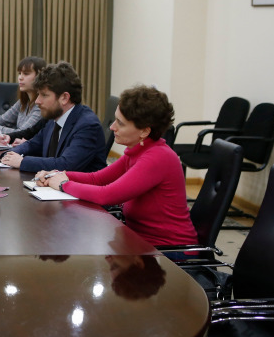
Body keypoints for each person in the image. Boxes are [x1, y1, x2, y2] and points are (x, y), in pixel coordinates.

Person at [39, 85, 197, 247]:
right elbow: (97, 178)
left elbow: (106, 195)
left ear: (144, 131)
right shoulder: (137, 151)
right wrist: (57, 175)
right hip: (139, 243)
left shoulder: (157, 157)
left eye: (120, 123)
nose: (112, 127)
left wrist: (64, 184)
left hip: (169, 252)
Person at [0, 61, 106, 172]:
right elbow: (33, 144)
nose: (37, 101)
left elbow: (66, 164)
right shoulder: (53, 118)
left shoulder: (87, 125)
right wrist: (10, 154)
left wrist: (22, 162)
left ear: (64, 98)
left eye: (44, 95)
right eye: (38, 94)